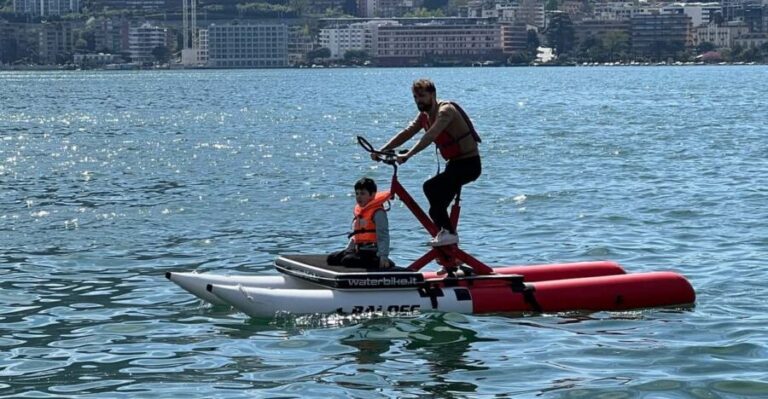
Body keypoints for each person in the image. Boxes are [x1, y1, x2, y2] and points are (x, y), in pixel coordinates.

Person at [373, 79, 481, 247]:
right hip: (453, 165)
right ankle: (450, 252)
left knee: (430, 188)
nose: (418, 100)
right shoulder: (424, 115)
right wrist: (382, 149)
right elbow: (407, 133)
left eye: (422, 96)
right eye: (415, 97)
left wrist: (409, 154)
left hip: (469, 165)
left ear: (433, 95)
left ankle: (450, 235)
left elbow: (430, 135)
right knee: (436, 209)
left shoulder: (446, 110)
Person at [327, 177, 394, 269]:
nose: (359, 196)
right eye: (357, 193)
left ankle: (382, 263)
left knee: (347, 261)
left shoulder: (378, 213)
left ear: (372, 195)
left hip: (373, 253)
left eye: (362, 194)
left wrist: (384, 256)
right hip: (359, 250)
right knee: (331, 259)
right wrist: (348, 249)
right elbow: (356, 235)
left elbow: (383, 236)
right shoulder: (361, 211)